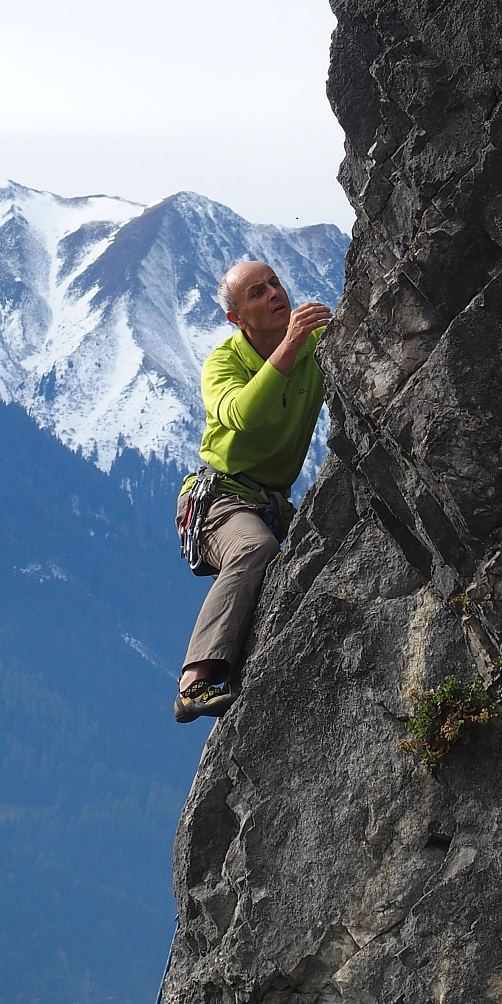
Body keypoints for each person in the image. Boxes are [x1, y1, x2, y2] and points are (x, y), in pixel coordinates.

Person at [173, 260, 331, 722]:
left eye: (275, 284)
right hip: (219, 499)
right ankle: (194, 681)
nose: (274, 294)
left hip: (272, 501)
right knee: (253, 547)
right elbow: (242, 413)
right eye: (257, 293)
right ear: (237, 319)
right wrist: (292, 346)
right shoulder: (223, 363)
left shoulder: (314, 344)